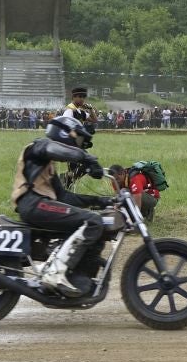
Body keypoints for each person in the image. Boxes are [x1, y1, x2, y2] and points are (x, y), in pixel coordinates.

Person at [10, 116, 113, 297]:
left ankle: (76, 278)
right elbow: (54, 149)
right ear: (65, 133)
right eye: (78, 139)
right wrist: (86, 158)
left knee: (96, 226)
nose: (78, 145)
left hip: (40, 204)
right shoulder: (39, 146)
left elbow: (64, 197)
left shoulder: (47, 164)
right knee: (93, 221)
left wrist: (99, 201)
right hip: (34, 203)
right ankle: (54, 273)